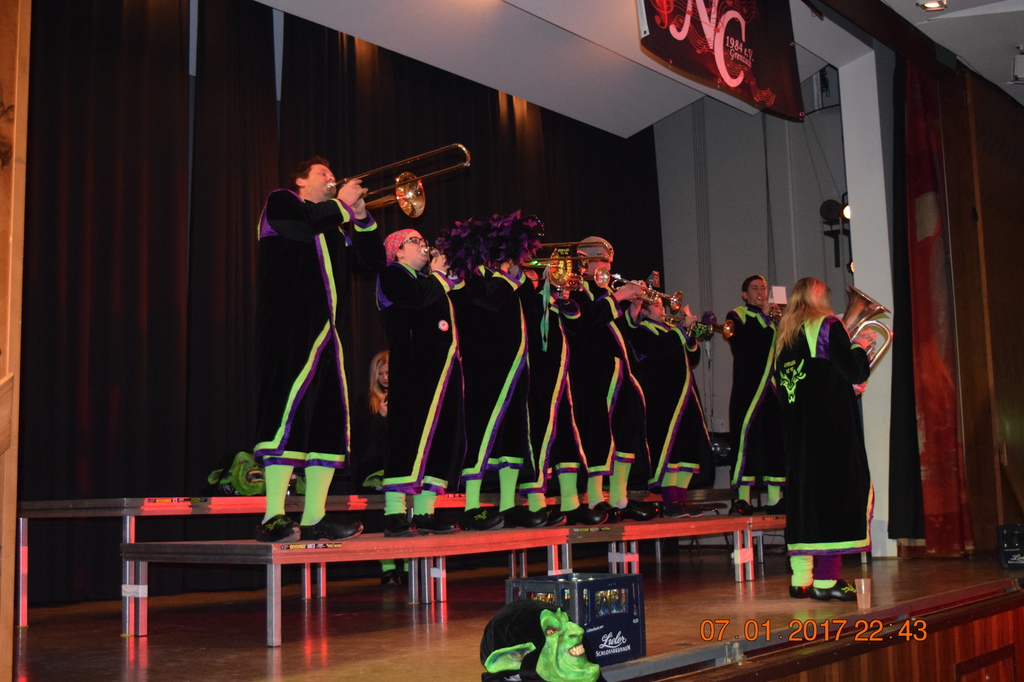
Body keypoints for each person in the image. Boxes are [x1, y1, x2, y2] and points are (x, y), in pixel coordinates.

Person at [253, 156, 385, 542]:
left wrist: (362, 219)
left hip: (329, 338)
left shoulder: (333, 228)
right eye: (323, 174)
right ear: (300, 180)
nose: (331, 178)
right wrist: (342, 204)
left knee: (327, 424)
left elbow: (372, 261)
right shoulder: (282, 201)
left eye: (332, 175)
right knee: (285, 417)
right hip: (289, 332)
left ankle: (315, 516)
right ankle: (272, 516)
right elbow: (299, 225)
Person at [445, 212, 547, 530]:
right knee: (480, 432)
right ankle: (471, 505)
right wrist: (508, 277)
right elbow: (487, 301)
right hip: (483, 368)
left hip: (515, 368)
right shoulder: (469, 274)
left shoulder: (507, 279)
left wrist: (526, 282)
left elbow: (532, 313)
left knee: (513, 436)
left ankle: (508, 504)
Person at [775, 277, 872, 601]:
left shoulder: (784, 337)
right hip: (830, 432)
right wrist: (861, 346)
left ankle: (801, 579)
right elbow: (855, 370)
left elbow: (798, 384)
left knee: (804, 502)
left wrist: (842, 387)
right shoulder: (827, 325)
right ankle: (828, 581)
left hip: (797, 434)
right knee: (836, 500)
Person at [376, 228, 463, 537]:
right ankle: (394, 512)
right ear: (398, 251)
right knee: (406, 436)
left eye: (423, 241)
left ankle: (426, 511)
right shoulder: (392, 274)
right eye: (415, 241)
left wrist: (450, 272)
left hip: (442, 371)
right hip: (412, 370)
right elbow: (416, 299)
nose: (423, 245)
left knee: (440, 437)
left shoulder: (431, 281)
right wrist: (439, 276)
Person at [566, 238, 656, 522]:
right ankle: (595, 498)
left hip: (620, 369)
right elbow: (585, 321)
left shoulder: (605, 291)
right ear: (585, 259)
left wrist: (634, 308)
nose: (607, 267)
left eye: (609, 262)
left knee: (626, 431)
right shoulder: (575, 286)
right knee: (598, 433)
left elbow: (619, 330)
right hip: (592, 370)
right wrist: (618, 297)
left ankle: (620, 497)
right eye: (603, 261)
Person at [629, 298, 713, 518]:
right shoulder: (641, 332)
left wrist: (692, 333)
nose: (663, 309)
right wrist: (682, 329)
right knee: (670, 449)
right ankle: (670, 501)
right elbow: (659, 349)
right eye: (657, 305)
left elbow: (693, 358)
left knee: (688, 448)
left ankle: (681, 499)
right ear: (644, 311)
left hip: (686, 395)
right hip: (663, 399)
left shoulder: (672, 332)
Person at [725, 274, 786, 516]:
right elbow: (743, 345)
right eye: (754, 288)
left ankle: (774, 499)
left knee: (774, 442)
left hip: (772, 389)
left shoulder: (776, 317)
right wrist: (764, 318)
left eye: (763, 287)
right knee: (746, 442)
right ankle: (743, 500)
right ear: (745, 294)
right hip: (748, 389)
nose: (760, 291)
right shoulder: (736, 315)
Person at [351, 350, 406, 586]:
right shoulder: (366, 400)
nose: (385, 377)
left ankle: (406, 566)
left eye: (389, 373)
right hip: (372, 470)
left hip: (398, 468)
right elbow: (360, 438)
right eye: (381, 373)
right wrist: (380, 416)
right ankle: (387, 569)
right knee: (379, 520)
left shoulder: (405, 397)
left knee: (404, 518)